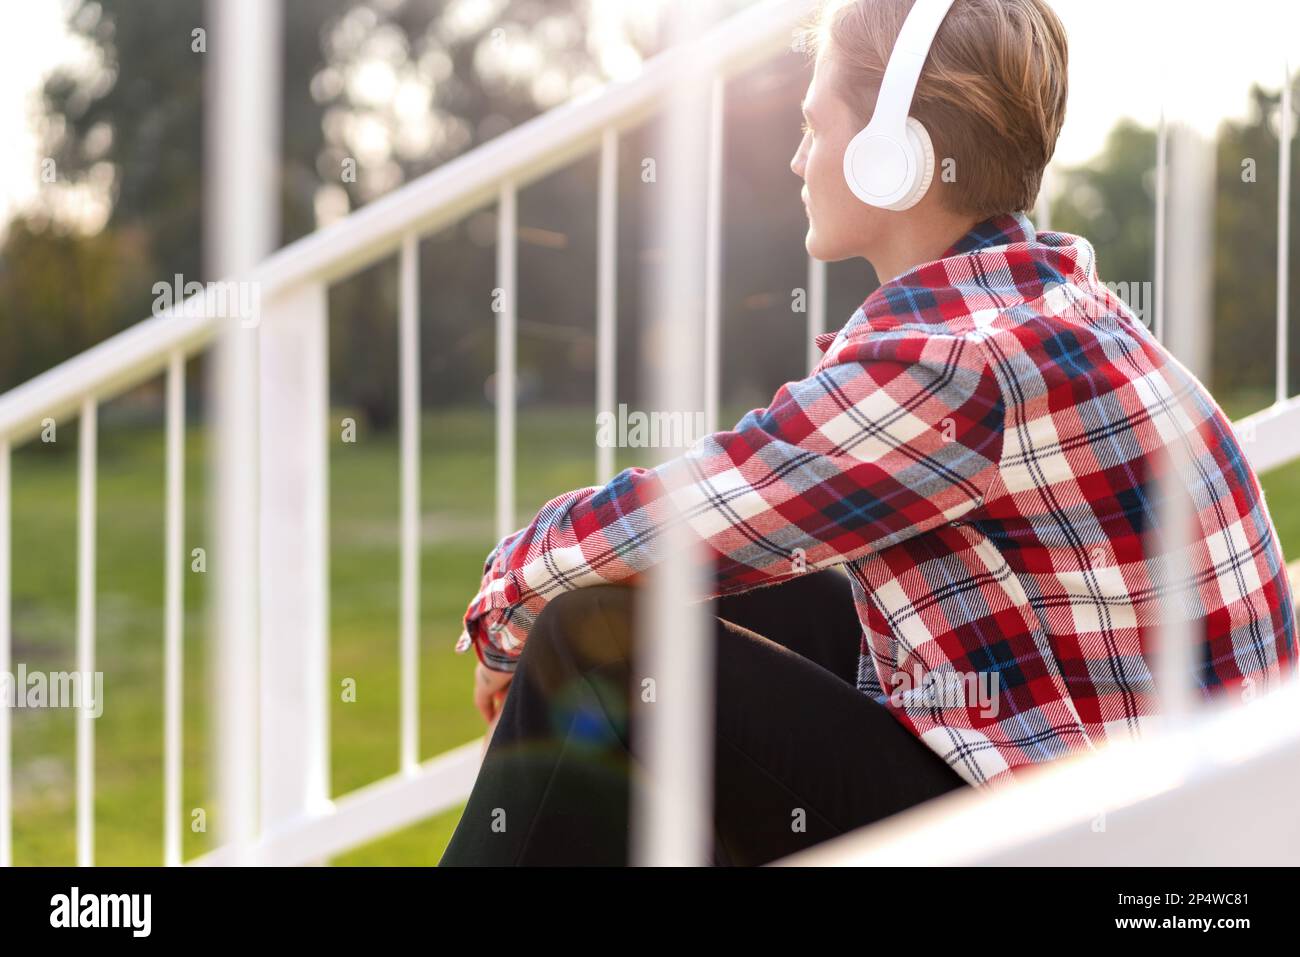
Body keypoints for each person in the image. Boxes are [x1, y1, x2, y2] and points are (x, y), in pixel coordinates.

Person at [439, 0, 1297, 867]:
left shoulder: (958, 363)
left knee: (590, 646)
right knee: (707, 597)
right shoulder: (1059, 310)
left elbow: (710, 499)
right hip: (1186, 833)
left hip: (1115, 859)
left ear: (898, 157)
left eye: (815, 125)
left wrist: (508, 613)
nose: (798, 157)